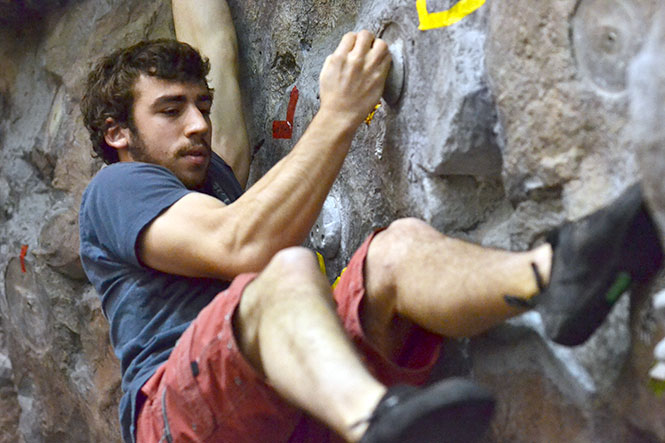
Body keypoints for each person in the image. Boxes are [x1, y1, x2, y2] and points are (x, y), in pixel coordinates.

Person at [77, 1, 663, 442]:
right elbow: (241, 244)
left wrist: (207, 87)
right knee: (284, 273)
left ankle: (555, 276)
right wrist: (341, 110)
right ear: (117, 134)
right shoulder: (117, 187)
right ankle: (376, 421)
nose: (199, 123)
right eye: (171, 110)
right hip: (177, 414)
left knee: (397, 248)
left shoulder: (213, 173)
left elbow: (213, 48)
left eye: (201, 105)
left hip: (291, 396)